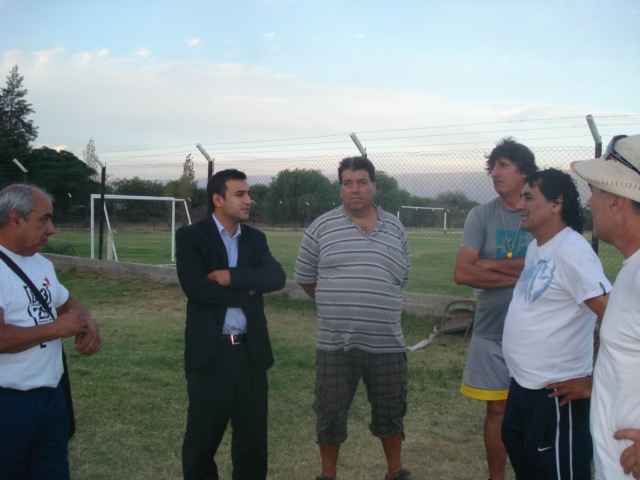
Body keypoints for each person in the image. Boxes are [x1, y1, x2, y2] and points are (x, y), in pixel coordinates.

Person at [294, 156, 412, 480]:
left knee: (391, 408)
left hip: (387, 343)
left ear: (374, 186)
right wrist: (335, 302)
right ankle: (328, 473)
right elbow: (305, 278)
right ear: (341, 188)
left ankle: (395, 471)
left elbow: (400, 280)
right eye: (347, 183)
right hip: (336, 343)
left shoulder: (396, 228)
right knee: (329, 411)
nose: (355, 189)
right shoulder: (321, 228)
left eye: (361, 182)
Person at [176, 169, 286, 480]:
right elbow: (197, 289)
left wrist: (232, 276)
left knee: (252, 445)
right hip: (211, 355)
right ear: (218, 199)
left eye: (248, 194)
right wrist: (248, 290)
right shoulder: (191, 236)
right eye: (240, 194)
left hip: (252, 354)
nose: (248, 200)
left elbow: (276, 278)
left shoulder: (255, 238)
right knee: (200, 444)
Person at [501, 168, 611, 480]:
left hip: (555, 397)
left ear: (556, 202)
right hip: (523, 388)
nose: (519, 205)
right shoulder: (538, 247)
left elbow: (618, 319)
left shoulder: (572, 251)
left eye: (528, 197)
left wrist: (596, 382)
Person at [0, 184, 101, 479]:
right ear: (15, 219)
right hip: (9, 402)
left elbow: (65, 301)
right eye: (44, 219)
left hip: (50, 395)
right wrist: (56, 328)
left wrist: (88, 322)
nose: (52, 229)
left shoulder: (41, 263)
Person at [453, 137, 537, 480]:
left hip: (535, 335)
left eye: (504, 166)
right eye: (493, 167)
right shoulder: (481, 215)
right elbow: (462, 273)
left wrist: (489, 265)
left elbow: (551, 267)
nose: (495, 173)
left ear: (524, 173)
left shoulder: (542, 212)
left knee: (534, 412)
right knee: (497, 411)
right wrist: (525, 272)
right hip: (491, 330)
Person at [571, 134, 640, 479]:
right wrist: (599, 384)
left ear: (615, 201)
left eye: (595, 192)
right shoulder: (632, 269)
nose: (588, 202)